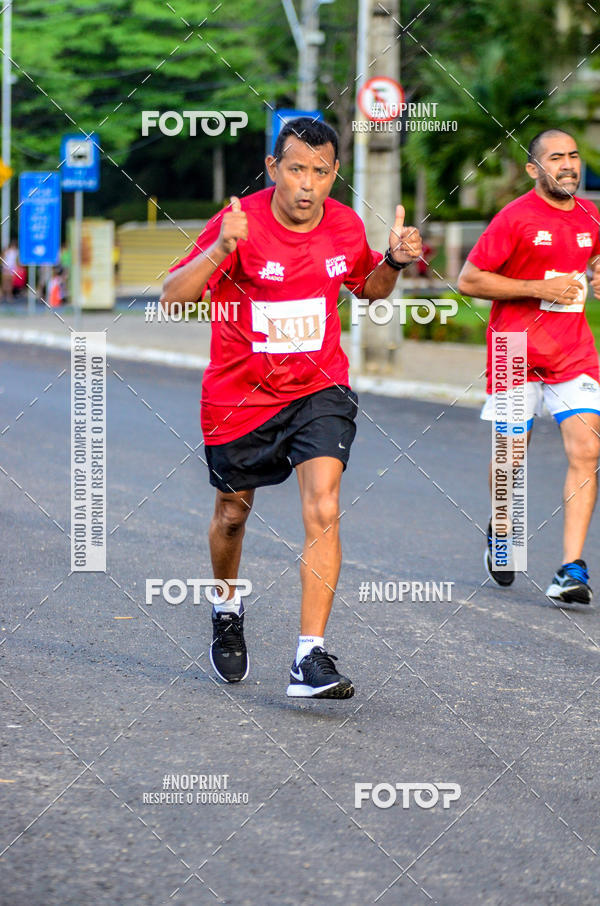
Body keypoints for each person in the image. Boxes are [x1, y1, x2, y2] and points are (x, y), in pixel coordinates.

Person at [161, 117, 422, 697]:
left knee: (324, 507)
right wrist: (222, 249)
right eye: (296, 168)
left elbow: (369, 288)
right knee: (232, 513)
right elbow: (173, 299)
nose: (307, 184)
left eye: (321, 171)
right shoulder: (239, 222)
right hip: (241, 395)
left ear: (334, 175)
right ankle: (226, 604)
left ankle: (310, 657)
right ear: (273, 168)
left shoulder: (345, 225)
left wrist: (395, 263)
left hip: (318, 388)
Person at [458, 129, 600, 607]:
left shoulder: (590, 215)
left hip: (573, 353)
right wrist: (538, 289)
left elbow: (592, 262)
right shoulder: (515, 218)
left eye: (574, 156)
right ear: (534, 169)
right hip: (514, 351)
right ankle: (503, 531)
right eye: (556, 158)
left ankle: (570, 568)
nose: (568, 165)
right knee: (511, 461)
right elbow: (469, 279)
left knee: (587, 449)